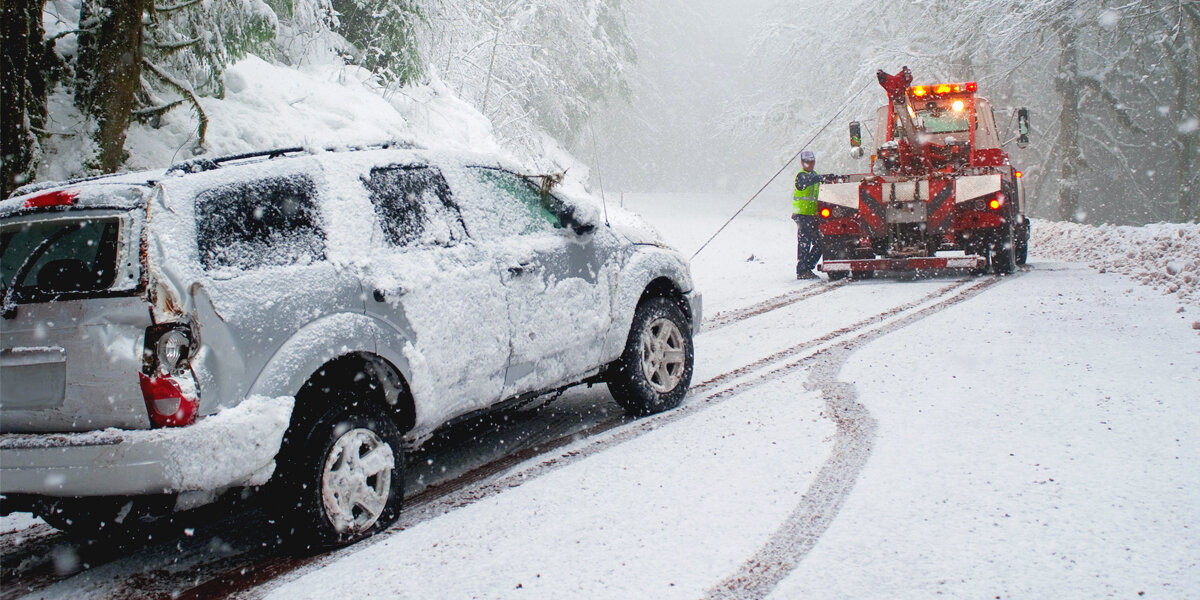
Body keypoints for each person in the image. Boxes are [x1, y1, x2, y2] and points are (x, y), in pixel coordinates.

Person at [793, 150, 822, 279]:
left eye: (812, 162)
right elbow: (803, 183)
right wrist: (819, 178)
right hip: (802, 215)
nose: (810, 164)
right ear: (802, 163)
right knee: (804, 243)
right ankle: (802, 270)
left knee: (820, 242)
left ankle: (807, 267)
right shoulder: (801, 176)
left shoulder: (816, 175)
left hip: (813, 215)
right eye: (807, 162)